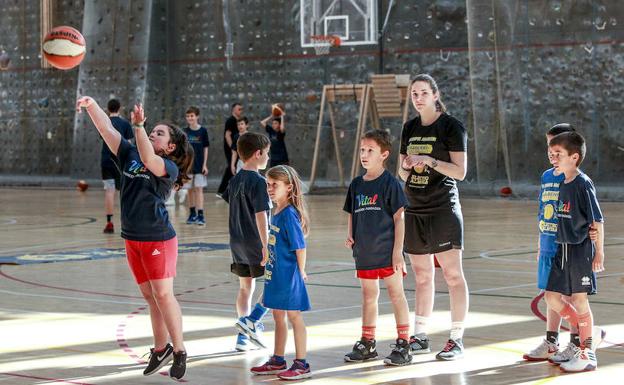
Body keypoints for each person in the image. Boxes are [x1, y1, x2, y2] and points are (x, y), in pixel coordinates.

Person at [76, 97, 193, 380]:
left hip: (157, 240)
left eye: (159, 133)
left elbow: (149, 158)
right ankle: (160, 347)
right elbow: (108, 132)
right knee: (150, 297)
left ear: (170, 147)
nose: (154, 133)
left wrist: (139, 126)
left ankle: (179, 350)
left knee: (164, 295)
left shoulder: (167, 167)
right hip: (132, 238)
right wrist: (91, 106)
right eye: (152, 130)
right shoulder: (128, 153)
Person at [398, 74, 469, 360]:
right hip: (415, 208)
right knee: (422, 275)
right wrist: (406, 166)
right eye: (414, 94)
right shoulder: (409, 127)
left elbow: (460, 172)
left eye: (423, 93)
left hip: (443, 207)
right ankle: (420, 335)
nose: (418, 98)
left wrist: (430, 161)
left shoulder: (452, 126)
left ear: (435, 95)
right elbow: (401, 174)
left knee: (452, 275)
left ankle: (456, 338)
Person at [523, 123, 598, 363]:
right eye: (549, 148)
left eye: (556, 148)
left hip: (566, 245)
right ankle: (551, 340)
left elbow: (588, 215)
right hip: (548, 242)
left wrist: (594, 237)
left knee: (571, 297)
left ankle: (579, 342)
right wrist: (539, 240)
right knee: (550, 295)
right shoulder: (547, 176)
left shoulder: (576, 180)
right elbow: (542, 211)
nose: (552, 153)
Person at [343, 129, 412, 366]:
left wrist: (397, 252)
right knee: (368, 296)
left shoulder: (390, 183)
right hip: (364, 252)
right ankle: (367, 342)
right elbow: (351, 213)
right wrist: (350, 234)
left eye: (370, 150)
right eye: (362, 150)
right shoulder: (356, 185)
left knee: (396, 295)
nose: (364, 154)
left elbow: (399, 218)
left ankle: (404, 344)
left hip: (387, 253)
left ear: (384, 154)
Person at [544, 131, 605, 372]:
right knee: (551, 297)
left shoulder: (583, 183)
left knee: (580, 300)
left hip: (580, 251)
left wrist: (599, 251)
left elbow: (597, 221)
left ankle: (587, 352)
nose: (554, 157)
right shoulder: (563, 181)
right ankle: (585, 331)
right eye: (552, 153)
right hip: (562, 249)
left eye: (559, 154)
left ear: (575, 157)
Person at [250, 165, 312, 380]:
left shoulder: (288, 215)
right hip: (274, 273)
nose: (270, 188)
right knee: (277, 316)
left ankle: (302, 363)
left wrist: (301, 271)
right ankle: (277, 359)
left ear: (289, 187)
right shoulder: (275, 211)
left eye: (275, 185)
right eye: (268, 184)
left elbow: (300, 247)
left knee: (294, 317)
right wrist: (267, 253)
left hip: (289, 275)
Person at [223, 132, 271, 351]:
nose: (268, 158)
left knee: (245, 288)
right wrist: (266, 244)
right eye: (267, 153)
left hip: (237, 242)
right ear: (257, 153)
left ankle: (242, 338)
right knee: (275, 284)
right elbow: (261, 216)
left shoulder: (235, 180)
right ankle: (251, 320)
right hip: (255, 242)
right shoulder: (259, 182)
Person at [101, 98, 134, 234]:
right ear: (119, 108)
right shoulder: (125, 124)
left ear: (108, 109)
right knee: (124, 192)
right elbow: (129, 143)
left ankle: (109, 223)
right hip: (120, 161)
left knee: (109, 191)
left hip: (106, 160)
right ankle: (127, 224)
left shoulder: (105, 123)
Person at [182, 106, 210, 226]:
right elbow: (183, 150)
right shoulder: (184, 132)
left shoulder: (203, 131)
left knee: (199, 189)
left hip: (199, 166)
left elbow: (206, 148)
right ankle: (192, 214)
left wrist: (204, 165)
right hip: (188, 166)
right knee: (190, 190)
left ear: (197, 116)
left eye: (192, 116)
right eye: (188, 116)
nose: (190, 118)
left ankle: (201, 215)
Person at [218, 103, 243, 196]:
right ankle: (222, 190)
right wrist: (233, 147)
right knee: (231, 168)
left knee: (232, 168)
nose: (240, 111)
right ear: (233, 110)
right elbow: (227, 135)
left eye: (241, 109)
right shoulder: (231, 120)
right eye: (239, 109)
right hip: (230, 149)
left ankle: (227, 190)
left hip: (235, 148)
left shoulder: (237, 121)